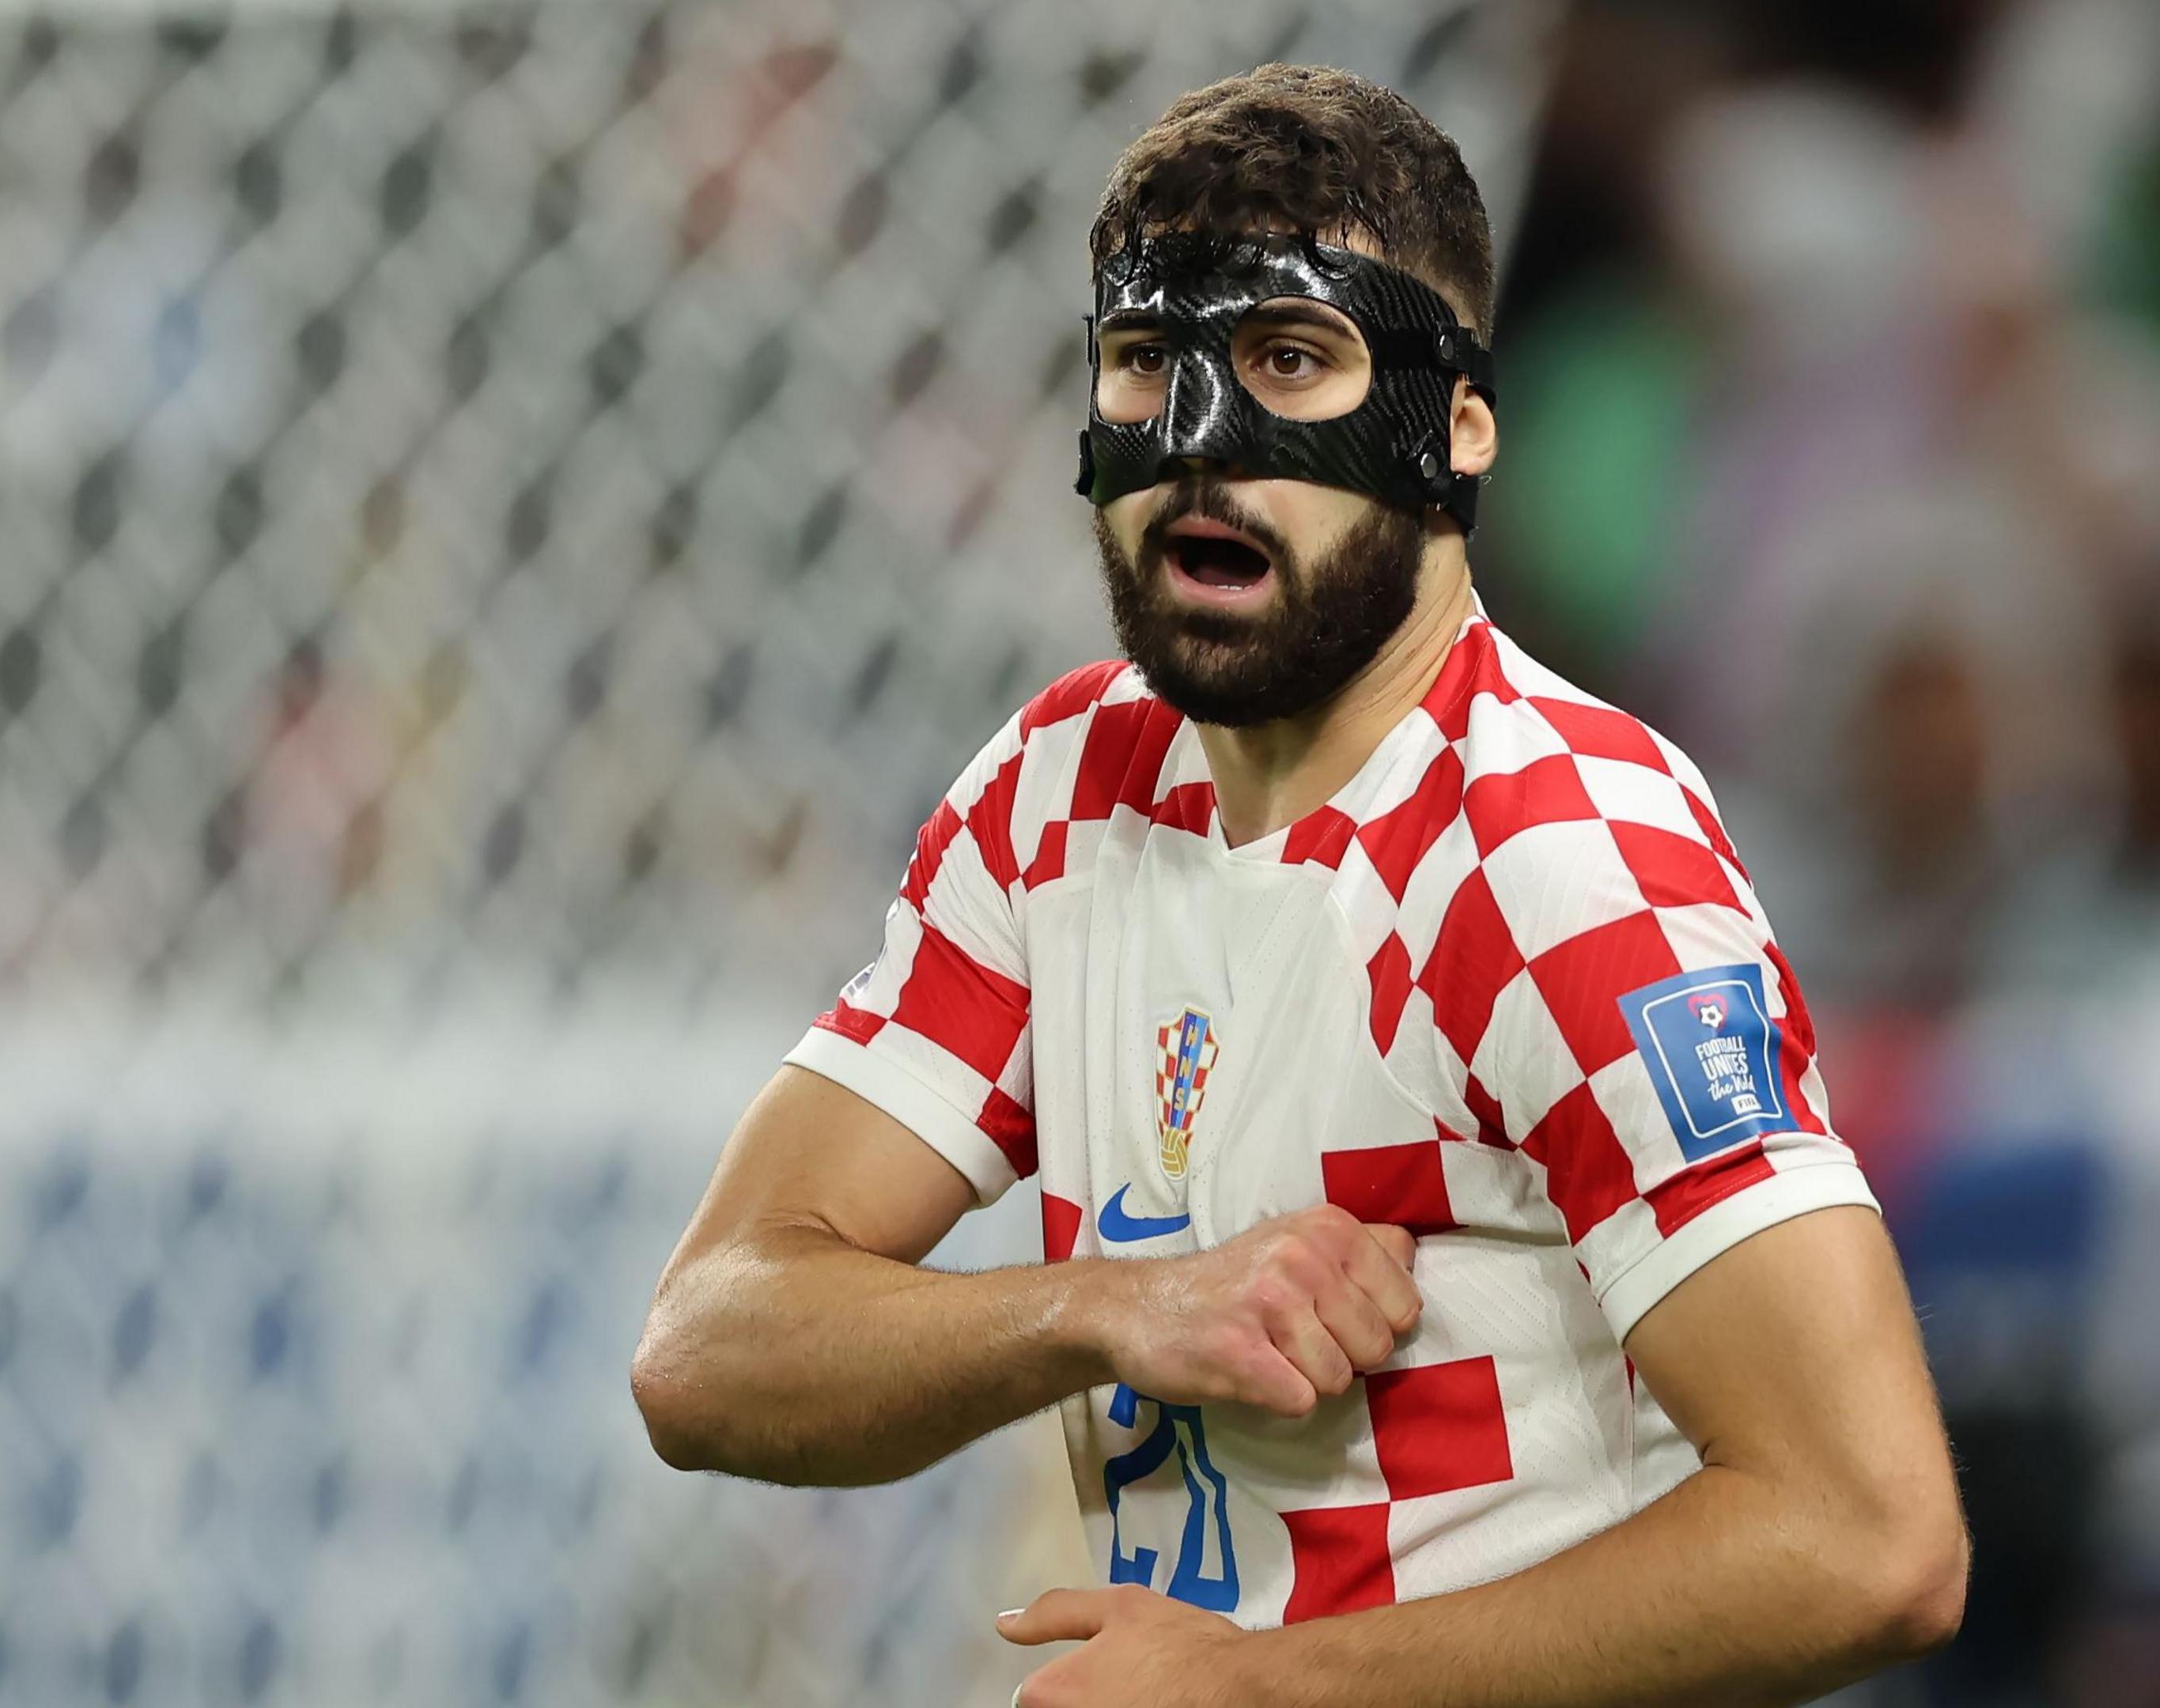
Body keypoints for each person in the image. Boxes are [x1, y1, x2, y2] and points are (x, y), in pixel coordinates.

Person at [634, 64, 1965, 1707]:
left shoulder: (1554, 859)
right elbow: (706, 1351)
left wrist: (1270, 1686)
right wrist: (1108, 1308)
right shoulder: (1061, 794)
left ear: (1453, 427)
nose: (1202, 445)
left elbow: (1872, 1539)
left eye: (1288, 361)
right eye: (1147, 367)